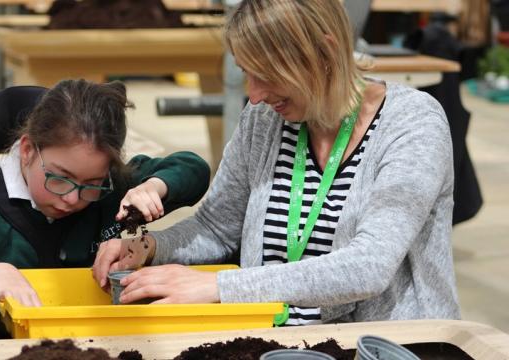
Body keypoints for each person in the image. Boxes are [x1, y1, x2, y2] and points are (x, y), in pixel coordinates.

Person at [92, 0, 460, 325]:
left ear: (324, 53)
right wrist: (151, 247)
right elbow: (218, 227)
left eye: (266, 75)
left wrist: (219, 286)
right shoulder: (266, 120)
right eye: (246, 73)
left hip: (386, 344)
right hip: (270, 335)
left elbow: (369, 266)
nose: (253, 96)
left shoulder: (412, 123)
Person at [0, 79, 210, 309]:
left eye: (91, 183)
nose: (73, 198)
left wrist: (152, 187)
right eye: (60, 178)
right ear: (28, 150)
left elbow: (193, 168)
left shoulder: (111, 190)